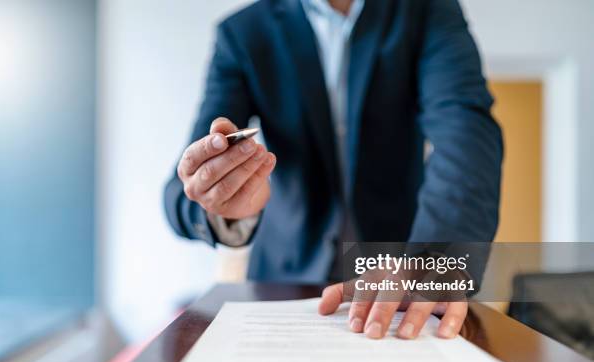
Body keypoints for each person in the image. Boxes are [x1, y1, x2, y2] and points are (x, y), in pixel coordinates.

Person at [164, 0, 502, 340]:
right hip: (282, 287)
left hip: (399, 281)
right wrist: (227, 205)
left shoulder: (428, 11)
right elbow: (183, 191)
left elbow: (465, 135)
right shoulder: (241, 32)